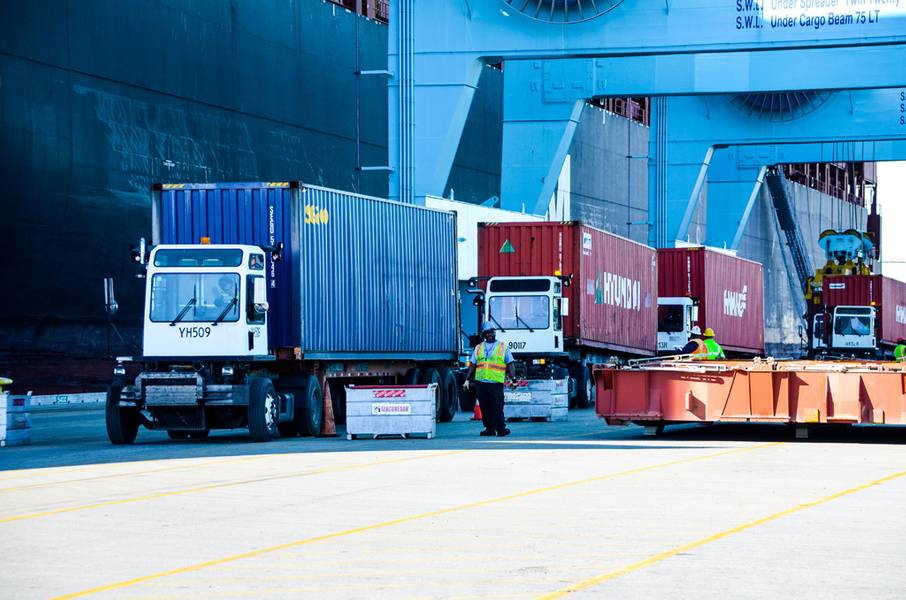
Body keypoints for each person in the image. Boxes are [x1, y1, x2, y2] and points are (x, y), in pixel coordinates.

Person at [464, 322, 516, 437]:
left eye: (492, 333)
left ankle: (501, 429)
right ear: (484, 334)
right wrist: (467, 379)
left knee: (497, 406)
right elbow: (472, 364)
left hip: (496, 383)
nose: (490, 335)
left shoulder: (502, 347)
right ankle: (489, 429)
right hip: (481, 383)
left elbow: (510, 363)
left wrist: (513, 379)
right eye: (488, 333)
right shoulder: (479, 348)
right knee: (485, 407)